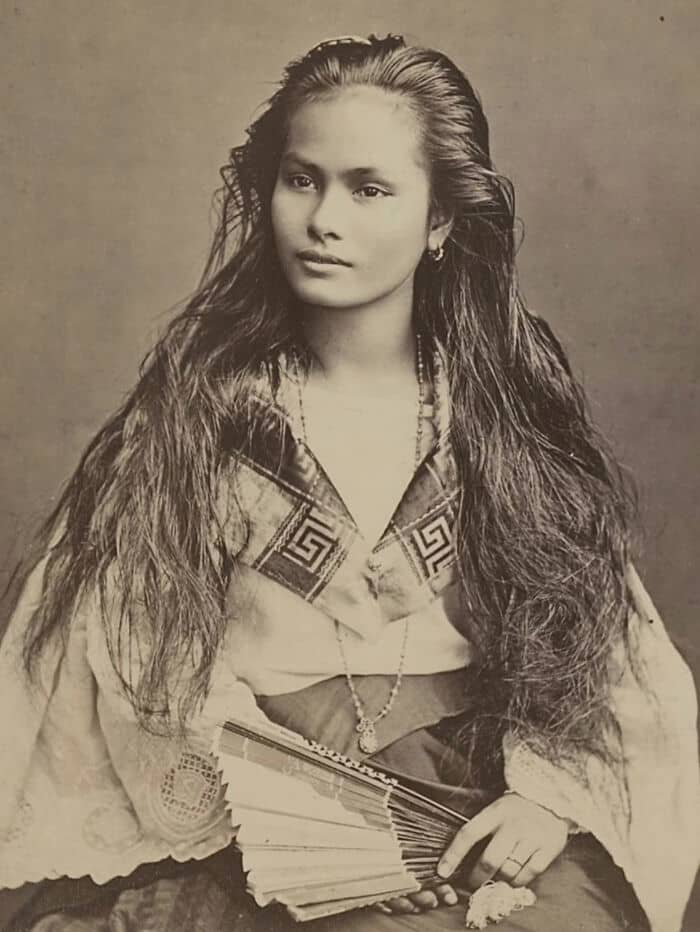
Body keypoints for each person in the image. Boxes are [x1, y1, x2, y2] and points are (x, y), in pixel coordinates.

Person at [0, 33, 697, 932]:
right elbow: (128, 656)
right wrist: (310, 831)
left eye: (370, 189)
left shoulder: (495, 425)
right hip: (251, 795)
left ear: (439, 221)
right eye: (303, 180)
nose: (325, 219)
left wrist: (548, 801)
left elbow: (605, 655)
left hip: (474, 790)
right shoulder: (203, 418)